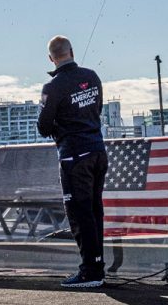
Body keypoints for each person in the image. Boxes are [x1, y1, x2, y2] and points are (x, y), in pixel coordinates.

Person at [37, 36, 108, 288]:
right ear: (72, 52)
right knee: (94, 210)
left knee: (80, 214)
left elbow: (43, 127)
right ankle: (97, 266)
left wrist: (62, 125)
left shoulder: (52, 86)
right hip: (98, 151)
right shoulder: (93, 76)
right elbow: (95, 110)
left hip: (74, 156)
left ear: (51, 58)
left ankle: (90, 272)